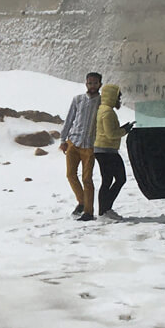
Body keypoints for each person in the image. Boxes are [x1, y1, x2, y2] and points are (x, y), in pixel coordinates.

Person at [59, 71, 102, 220]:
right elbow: (69, 119)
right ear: (86, 83)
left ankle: (89, 212)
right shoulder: (78, 100)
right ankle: (82, 202)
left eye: (95, 83)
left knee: (87, 179)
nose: (92, 86)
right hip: (73, 142)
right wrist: (63, 140)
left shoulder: (102, 102)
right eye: (90, 83)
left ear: (100, 84)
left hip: (90, 145)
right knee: (70, 175)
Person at [92, 83, 133, 218]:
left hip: (102, 150)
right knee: (120, 179)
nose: (119, 100)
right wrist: (125, 131)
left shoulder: (102, 109)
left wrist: (122, 128)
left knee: (107, 180)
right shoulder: (108, 112)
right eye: (117, 97)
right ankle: (105, 210)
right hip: (107, 150)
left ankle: (104, 210)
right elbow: (111, 134)